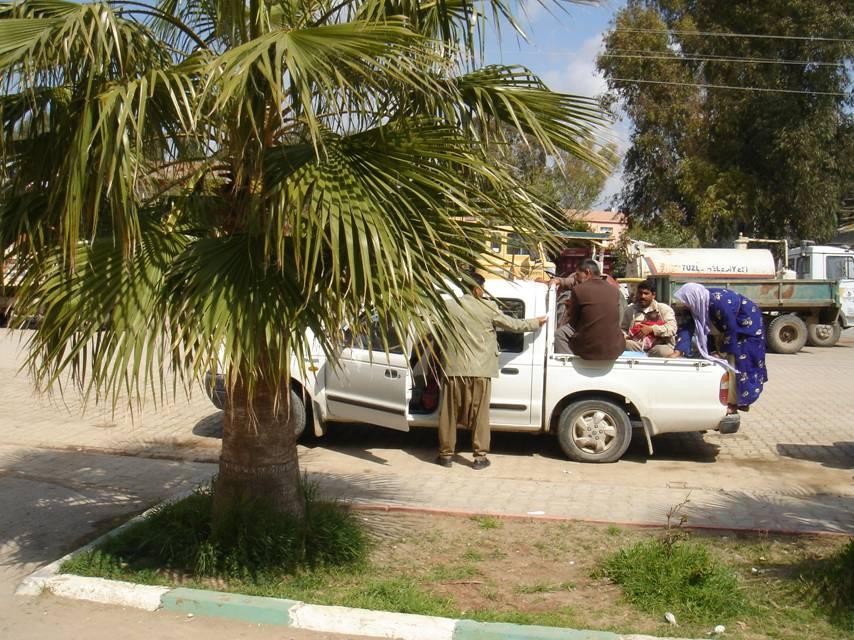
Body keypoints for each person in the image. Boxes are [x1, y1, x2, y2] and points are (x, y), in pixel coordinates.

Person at [437, 273, 547, 469]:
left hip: (454, 369)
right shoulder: (488, 308)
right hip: (480, 370)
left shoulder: (448, 306)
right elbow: (514, 325)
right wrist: (536, 322)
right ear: (478, 289)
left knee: (449, 413)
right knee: (480, 415)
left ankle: (446, 455)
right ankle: (479, 457)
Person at [673, 283, 768, 413]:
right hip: (725, 328)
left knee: (739, 363)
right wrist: (679, 350)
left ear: (693, 297)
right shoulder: (696, 304)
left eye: (686, 301)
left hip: (746, 325)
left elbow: (730, 328)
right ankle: (732, 397)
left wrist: (721, 352)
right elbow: (687, 327)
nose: (685, 305)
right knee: (722, 360)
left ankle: (735, 403)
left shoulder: (719, 302)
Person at [554, 259, 624, 360]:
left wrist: (570, 309)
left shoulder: (578, 290)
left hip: (589, 350)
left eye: (577, 275)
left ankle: (568, 364)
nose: (576, 279)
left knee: (560, 333)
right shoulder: (615, 290)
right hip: (616, 349)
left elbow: (573, 323)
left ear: (587, 272)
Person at [621, 279, 677, 357]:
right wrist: (625, 336)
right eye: (640, 293)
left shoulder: (663, 309)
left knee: (662, 351)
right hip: (637, 346)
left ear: (653, 295)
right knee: (623, 344)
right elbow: (623, 328)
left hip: (658, 346)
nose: (642, 296)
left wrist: (652, 329)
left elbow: (672, 328)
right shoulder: (630, 310)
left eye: (646, 293)